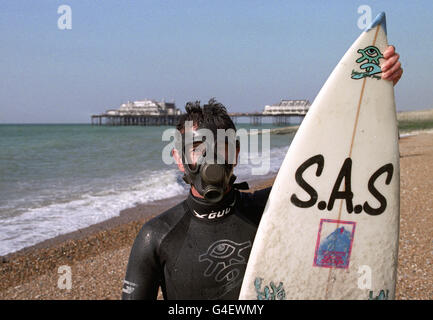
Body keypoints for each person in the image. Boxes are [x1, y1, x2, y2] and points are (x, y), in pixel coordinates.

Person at [121, 45, 403, 300]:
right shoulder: (157, 236)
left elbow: (343, 165)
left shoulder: (274, 207)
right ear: (179, 159)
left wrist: (375, 87)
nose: (211, 158)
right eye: (197, 147)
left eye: (222, 146)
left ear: (237, 152)